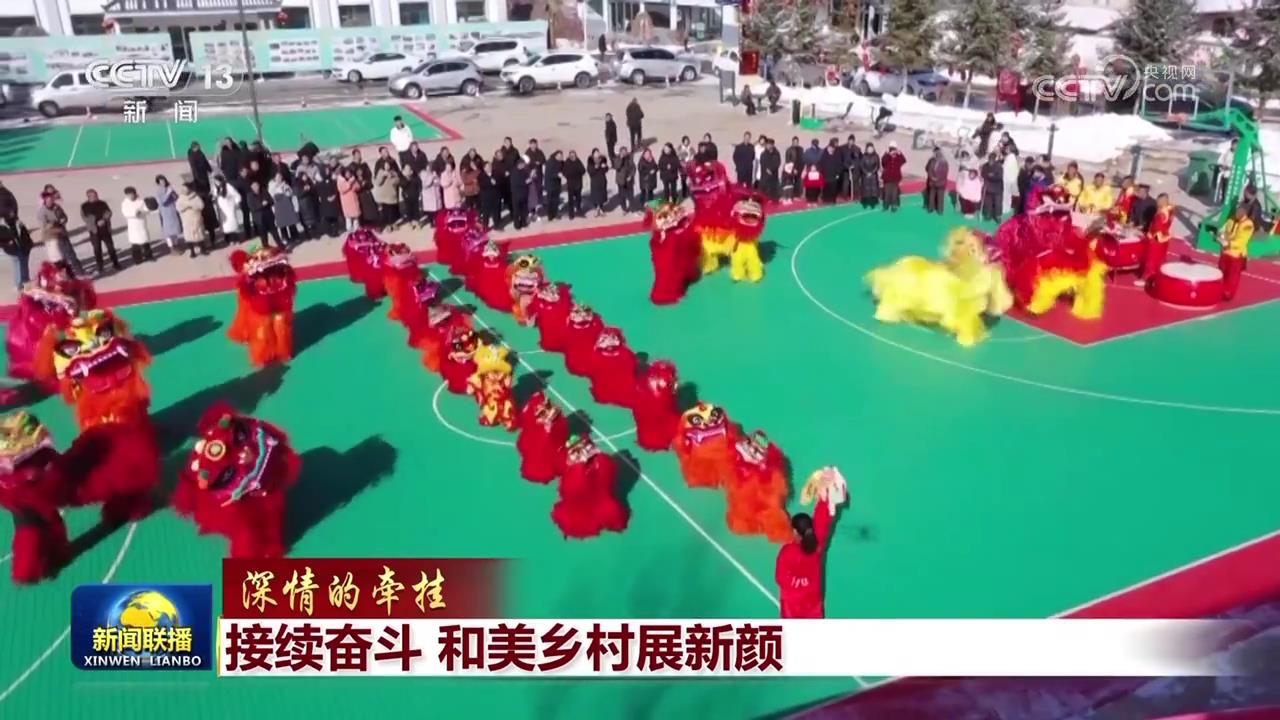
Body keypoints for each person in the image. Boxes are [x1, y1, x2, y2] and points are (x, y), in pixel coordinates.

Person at [775, 472, 843, 618]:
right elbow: (823, 520)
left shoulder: (787, 552)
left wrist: (795, 584)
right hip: (812, 603)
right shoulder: (817, 544)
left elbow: (780, 578)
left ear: (795, 531)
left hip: (792, 607)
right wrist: (825, 494)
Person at [36, 191, 82, 274]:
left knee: (70, 254)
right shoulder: (42, 212)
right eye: (48, 201)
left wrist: (63, 220)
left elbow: (64, 216)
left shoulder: (57, 207)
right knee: (58, 258)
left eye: (52, 200)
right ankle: (63, 275)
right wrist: (54, 224)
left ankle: (79, 272)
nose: (51, 202)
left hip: (62, 234)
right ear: (45, 201)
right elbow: (44, 226)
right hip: (52, 238)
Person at [1137, 193, 1175, 286]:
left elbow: (1157, 228)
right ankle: (1157, 278)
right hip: (1164, 239)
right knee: (1160, 260)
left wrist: (1150, 234)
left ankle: (1147, 279)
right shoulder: (1170, 210)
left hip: (1156, 240)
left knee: (1151, 260)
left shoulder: (1161, 214)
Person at [80, 189, 120, 273]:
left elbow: (108, 212)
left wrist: (104, 220)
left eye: (96, 195)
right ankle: (100, 266)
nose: (96, 197)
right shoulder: (84, 206)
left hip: (105, 230)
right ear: (89, 197)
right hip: (94, 231)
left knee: (111, 248)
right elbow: (85, 218)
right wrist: (95, 222)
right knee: (97, 249)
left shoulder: (102, 203)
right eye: (93, 196)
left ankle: (116, 263)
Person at [1219, 205, 1253, 301]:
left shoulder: (1248, 225)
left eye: (1239, 213)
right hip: (1225, 252)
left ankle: (1228, 293)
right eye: (1237, 212)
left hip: (1236, 255)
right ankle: (1219, 290)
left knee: (1232, 277)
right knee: (1222, 272)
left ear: (1244, 213)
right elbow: (1223, 229)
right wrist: (1220, 235)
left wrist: (1228, 243)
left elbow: (1242, 241)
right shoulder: (1231, 220)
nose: (1237, 214)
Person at [120, 186, 154, 264]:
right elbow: (125, 213)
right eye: (128, 194)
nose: (130, 196)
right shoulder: (125, 203)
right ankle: (137, 259)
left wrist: (142, 212)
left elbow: (147, 210)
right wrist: (134, 213)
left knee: (145, 242)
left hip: (141, 224)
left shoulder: (141, 201)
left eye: (131, 194)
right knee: (135, 244)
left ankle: (149, 256)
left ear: (134, 193)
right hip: (133, 226)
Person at [0, 212, 35, 288]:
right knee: (18, 265)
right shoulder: (3, 227)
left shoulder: (18, 223)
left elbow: (25, 233)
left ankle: (23, 282)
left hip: (23, 247)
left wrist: (29, 243)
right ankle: (20, 284)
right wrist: (7, 244)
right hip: (13, 249)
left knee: (22, 265)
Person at [176, 183, 209, 258]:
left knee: (199, 234)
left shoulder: (195, 196)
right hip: (187, 220)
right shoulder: (180, 198)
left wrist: (192, 205)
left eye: (185, 188)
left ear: (189, 189)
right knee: (189, 236)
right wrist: (187, 206)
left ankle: (203, 249)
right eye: (183, 188)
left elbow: (201, 205)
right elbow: (178, 208)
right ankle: (192, 252)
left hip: (196, 219)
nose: (184, 190)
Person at [269, 171, 302, 244]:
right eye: (278, 177)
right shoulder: (272, 186)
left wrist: (285, 189)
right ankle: (285, 237)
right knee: (282, 223)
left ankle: (295, 236)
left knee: (290, 221)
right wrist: (278, 187)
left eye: (280, 177)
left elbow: (290, 193)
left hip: (287, 205)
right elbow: (271, 195)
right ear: (275, 178)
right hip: (279, 207)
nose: (279, 178)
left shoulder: (285, 185)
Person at [152, 175, 183, 254]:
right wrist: (168, 193)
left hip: (173, 211)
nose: (163, 182)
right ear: (158, 183)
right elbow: (162, 202)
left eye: (163, 180)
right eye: (161, 181)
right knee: (168, 231)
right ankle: (171, 247)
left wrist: (173, 194)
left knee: (175, 229)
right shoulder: (158, 191)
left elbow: (176, 198)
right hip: (165, 213)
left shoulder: (169, 188)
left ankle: (176, 244)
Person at [247, 181, 282, 248]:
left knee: (274, 232)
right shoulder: (250, 196)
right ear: (252, 187)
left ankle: (280, 245)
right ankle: (266, 247)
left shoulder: (264, 192)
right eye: (254, 186)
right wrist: (261, 205)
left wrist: (267, 202)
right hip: (259, 218)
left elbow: (271, 201)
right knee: (263, 234)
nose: (256, 188)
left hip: (268, 215)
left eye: (257, 186)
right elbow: (251, 207)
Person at [213, 175, 243, 243]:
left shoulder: (228, 186)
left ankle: (236, 239)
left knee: (232, 223)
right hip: (222, 209)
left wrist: (236, 203)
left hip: (229, 207)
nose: (216, 183)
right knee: (225, 225)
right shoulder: (216, 189)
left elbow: (236, 195)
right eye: (215, 181)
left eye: (217, 181)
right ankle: (229, 240)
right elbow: (216, 197)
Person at [373, 160, 401, 229]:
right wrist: (383, 176)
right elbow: (377, 183)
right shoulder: (380, 172)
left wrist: (392, 178)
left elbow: (398, 181)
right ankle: (387, 225)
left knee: (392, 211)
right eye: (386, 165)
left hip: (391, 195)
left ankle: (393, 223)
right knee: (385, 211)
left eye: (388, 165)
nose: (387, 166)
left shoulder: (393, 172)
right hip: (384, 195)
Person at [294, 172, 320, 239]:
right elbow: (298, 194)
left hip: (311, 203)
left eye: (306, 176)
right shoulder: (297, 184)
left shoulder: (309, 182)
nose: (305, 177)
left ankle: (315, 234)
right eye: (304, 176)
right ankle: (308, 234)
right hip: (303, 205)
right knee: (306, 222)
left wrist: (310, 188)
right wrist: (304, 190)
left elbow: (314, 191)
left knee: (313, 220)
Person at [880, 143, 906, 212]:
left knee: (894, 193)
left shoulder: (898, 156)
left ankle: (894, 205)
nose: (893, 150)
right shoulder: (886, 155)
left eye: (894, 149)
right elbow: (883, 162)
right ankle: (886, 205)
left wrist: (900, 153)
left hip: (895, 177)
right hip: (887, 177)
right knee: (887, 192)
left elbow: (904, 161)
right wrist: (888, 154)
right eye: (891, 149)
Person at [979, 153, 1004, 221]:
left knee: (997, 203)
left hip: (997, 188)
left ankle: (998, 216)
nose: (990, 161)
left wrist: (992, 176)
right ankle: (988, 214)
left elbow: (999, 177)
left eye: (992, 160)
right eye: (989, 159)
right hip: (988, 187)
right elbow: (983, 174)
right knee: (988, 202)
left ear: (994, 159)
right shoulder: (985, 165)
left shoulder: (999, 166)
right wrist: (988, 175)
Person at [924, 148, 949, 214]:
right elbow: (929, 170)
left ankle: (935, 209)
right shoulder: (935, 161)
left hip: (937, 182)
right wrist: (934, 178)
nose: (938, 155)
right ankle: (935, 209)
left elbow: (944, 172)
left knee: (936, 196)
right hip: (936, 182)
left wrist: (935, 178)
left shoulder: (941, 162)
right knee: (935, 196)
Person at [563, 150, 586, 218]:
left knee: (578, 198)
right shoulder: (567, 162)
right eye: (571, 156)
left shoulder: (578, 161)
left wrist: (578, 172)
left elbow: (583, 170)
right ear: (569, 156)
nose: (573, 157)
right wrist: (571, 174)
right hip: (571, 184)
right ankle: (571, 213)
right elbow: (564, 172)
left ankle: (579, 211)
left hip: (578, 183)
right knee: (571, 200)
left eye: (574, 155)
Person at [509, 156, 530, 229]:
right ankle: (517, 225)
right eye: (523, 164)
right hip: (516, 195)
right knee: (517, 211)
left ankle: (524, 222)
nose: (524, 165)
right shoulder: (514, 172)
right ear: (519, 164)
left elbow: (527, 179)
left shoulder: (524, 171)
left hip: (524, 193)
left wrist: (529, 179)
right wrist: (525, 182)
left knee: (524, 209)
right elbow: (515, 183)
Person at [587, 148, 610, 216]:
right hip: (595, 181)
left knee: (602, 196)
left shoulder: (603, 159)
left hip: (602, 180)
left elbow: (606, 170)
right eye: (595, 153)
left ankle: (601, 208)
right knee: (596, 196)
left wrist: (605, 167)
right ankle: (597, 209)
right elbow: (590, 171)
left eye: (598, 152)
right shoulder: (590, 161)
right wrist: (595, 168)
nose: (597, 154)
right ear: (593, 154)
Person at [337, 167, 361, 232]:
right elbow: (343, 189)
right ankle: (349, 230)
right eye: (347, 173)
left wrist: (355, 187)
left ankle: (357, 230)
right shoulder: (341, 181)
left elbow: (358, 187)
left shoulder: (353, 180)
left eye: (349, 173)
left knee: (356, 217)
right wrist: (350, 181)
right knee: (348, 218)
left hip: (354, 200)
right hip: (346, 202)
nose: (348, 174)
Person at [420, 160, 442, 226]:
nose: (430, 168)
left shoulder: (434, 173)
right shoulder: (423, 174)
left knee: (436, 210)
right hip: (428, 196)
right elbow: (425, 184)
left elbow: (439, 182)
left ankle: (436, 221)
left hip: (435, 194)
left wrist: (436, 179)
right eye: (428, 166)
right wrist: (432, 177)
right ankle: (431, 222)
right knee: (430, 211)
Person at [858, 143, 880, 208]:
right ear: (866, 149)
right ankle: (865, 202)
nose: (870, 150)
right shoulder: (864, 156)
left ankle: (873, 202)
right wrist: (866, 172)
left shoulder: (876, 156)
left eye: (871, 148)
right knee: (866, 189)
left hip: (873, 175)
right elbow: (861, 166)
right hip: (865, 175)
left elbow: (877, 166)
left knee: (873, 189)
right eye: (869, 148)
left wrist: (872, 172)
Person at [545, 150, 564, 221]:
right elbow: (549, 173)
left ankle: (555, 213)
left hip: (557, 184)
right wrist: (557, 175)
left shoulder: (561, 162)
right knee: (550, 201)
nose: (560, 157)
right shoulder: (550, 162)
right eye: (559, 156)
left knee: (556, 200)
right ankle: (550, 215)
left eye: (561, 156)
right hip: (550, 184)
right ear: (555, 156)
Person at [784, 137, 803, 202]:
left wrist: (802, 168)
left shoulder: (801, 149)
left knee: (798, 183)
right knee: (790, 182)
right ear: (792, 142)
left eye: (797, 142)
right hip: (791, 169)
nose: (796, 143)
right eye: (794, 142)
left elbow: (802, 159)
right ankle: (790, 196)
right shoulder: (789, 149)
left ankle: (797, 195)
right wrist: (793, 169)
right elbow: (787, 160)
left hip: (799, 168)